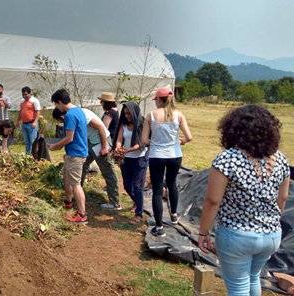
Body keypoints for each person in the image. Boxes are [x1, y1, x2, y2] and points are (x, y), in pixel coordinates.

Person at [198, 105, 290, 295]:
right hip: (271, 235)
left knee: (238, 286)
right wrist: (271, 223)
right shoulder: (281, 159)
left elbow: (213, 200)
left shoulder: (228, 159)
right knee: (253, 277)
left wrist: (203, 232)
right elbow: (283, 197)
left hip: (237, 235)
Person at [141, 86, 192, 237]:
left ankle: (159, 226)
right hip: (175, 156)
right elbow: (189, 137)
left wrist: (154, 142)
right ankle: (174, 216)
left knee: (157, 190)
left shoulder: (151, 115)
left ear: (158, 100)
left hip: (157, 156)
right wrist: (180, 141)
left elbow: (144, 140)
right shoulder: (178, 115)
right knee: (172, 183)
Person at [53, 107, 120, 211]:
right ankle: (78, 195)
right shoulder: (74, 114)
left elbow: (101, 127)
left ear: (62, 116)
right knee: (81, 166)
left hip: (99, 141)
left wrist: (103, 147)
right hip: (89, 143)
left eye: (61, 121)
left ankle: (114, 202)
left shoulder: (81, 114)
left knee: (108, 171)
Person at [49, 89, 88, 224]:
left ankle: (82, 214)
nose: (57, 107)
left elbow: (69, 138)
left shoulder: (70, 115)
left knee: (76, 184)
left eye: (56, 104)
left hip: (76, 154)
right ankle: (68, 202)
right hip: (74, 152)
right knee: (67, 177)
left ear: (60, 102)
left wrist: (56, 146)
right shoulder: (79, 111)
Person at [114, 101, 148, 224]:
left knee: (138, 186)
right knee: (127, 185)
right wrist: (118, 148)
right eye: (125, 114)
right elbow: (119, 139)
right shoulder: (123, 124)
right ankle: (139, 203)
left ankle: (139, 214)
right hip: (126, 158)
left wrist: (128, 150)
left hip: (140, 158)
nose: (127, 116)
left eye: (129, 113)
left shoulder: (142, 124)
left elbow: (142, 143)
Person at [16, 86, 41, 155]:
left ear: (30, 94)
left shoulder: (34, 101)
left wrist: (35, 122)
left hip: (31, 124)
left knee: (33, 141)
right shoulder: (22, 101)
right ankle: (27, 155)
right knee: (27, 142)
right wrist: (18, 121)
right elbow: (21, 112)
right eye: (23, 94)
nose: (24, 96)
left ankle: (34, 155)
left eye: (26, 94)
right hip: (24, 124)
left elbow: (38, 112)